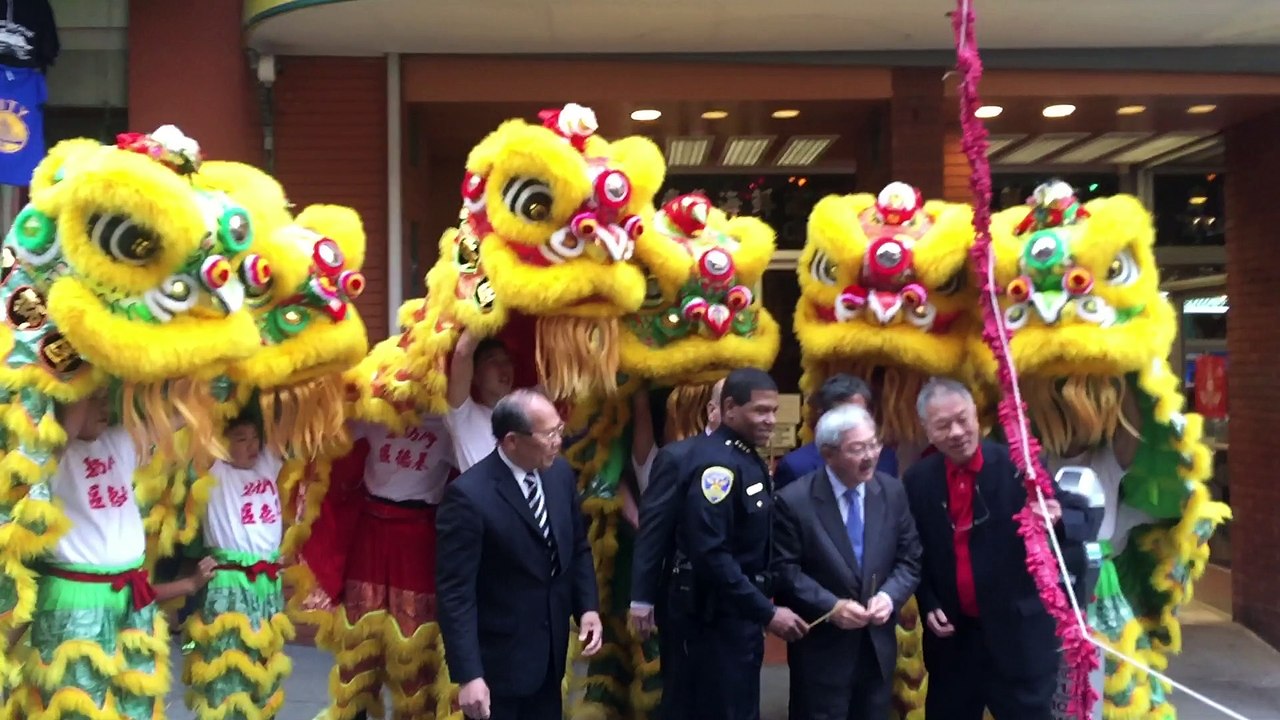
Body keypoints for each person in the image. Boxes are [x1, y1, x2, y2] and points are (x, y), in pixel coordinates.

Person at [10, 389, 216, 719]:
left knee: (135, 701)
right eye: (93, 397)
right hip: (77, 604)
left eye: (107, 397)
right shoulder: (49, 452)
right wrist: (79, 370)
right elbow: (68, 418)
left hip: (130, 599)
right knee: (77, 703)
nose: (104, 405)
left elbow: (176, 415)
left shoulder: (117, 440)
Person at [905, 377, 1084, 720]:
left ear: (977, 417)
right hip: (954, 640)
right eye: (943, 425)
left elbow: (1077, 519)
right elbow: (914, 551)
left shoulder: (1022, 468)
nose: (956, 432)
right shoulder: (918, 480)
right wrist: (928, 602)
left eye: (962, 419)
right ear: (927, 430)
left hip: (1018, 638)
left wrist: (1056, 518)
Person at [436, 389, 604, 720]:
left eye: (559, 430)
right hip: (499, 663)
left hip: (550, 656)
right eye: (549, 434)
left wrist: (587, 607)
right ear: (512, 441)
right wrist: (469, 675)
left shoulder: (558, 475)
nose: (559, 440)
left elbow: (577, 547)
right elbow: (456, 593)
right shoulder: (469, 497)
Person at [300, 411, 458, 720]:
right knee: (359, 637)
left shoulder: (449, 424)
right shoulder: (375, 414)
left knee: (414, 644)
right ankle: (354, 710)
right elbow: (332, 430)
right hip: (371, 533)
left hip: (418, 538)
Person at [772, 403, 922, 720]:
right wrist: (832, 606)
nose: (870, 455)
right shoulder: (794, 501)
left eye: (873, 444)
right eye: (857, 449)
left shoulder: (892, 491)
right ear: (828, 453)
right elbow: (784, 570)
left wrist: (889, 596)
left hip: (876, 647)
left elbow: (909, 559)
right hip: (822, 652)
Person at [675, 368, 809, 720]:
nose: (771, 420)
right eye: (761, 411)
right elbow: (711, 553)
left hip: (742, 616)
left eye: (774, 411)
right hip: (717, 620)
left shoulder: (746, 456)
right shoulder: (717, 465)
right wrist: (766, 612)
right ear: (729, 408)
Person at [183, 410, 291, 720]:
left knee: (264, 668)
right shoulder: (213, 472)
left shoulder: (268, 465)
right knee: (227, 667)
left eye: (255, 438)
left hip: (268, 584)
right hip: (229, 585)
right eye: (240, 439)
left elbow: (288, 421)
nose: (251, 445)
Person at [627, 378, 724, 719]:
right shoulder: (661, 458)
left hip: (720, 587)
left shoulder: (730, 456)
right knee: (679, 680)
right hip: (674, 580)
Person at [774, 374, 897, 489]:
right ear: (823, 416)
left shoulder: (885, 459)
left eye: (859, 413)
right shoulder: (796, 466)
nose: (853, 422)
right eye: (844, 415)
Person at [446, 329, 516, 473]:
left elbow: (562, 383)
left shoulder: (532, 407)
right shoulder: (464, 415)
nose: (503, 368)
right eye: (492, 361)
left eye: (506, 360)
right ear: (475, 375)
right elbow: (463, 353)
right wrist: (488, 307)